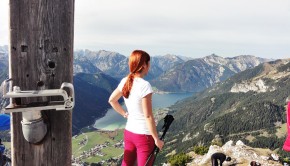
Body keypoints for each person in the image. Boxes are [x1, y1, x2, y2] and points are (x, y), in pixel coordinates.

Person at [108, 50, 164, 166]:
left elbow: (112, 100)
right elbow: (148, 116)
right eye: (149, 63)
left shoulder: (125, 81)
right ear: (144, 65)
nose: (150, 66)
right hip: (144, 136)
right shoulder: (145, 86)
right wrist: (156, 139)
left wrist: (125, 114)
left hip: (129, 132)